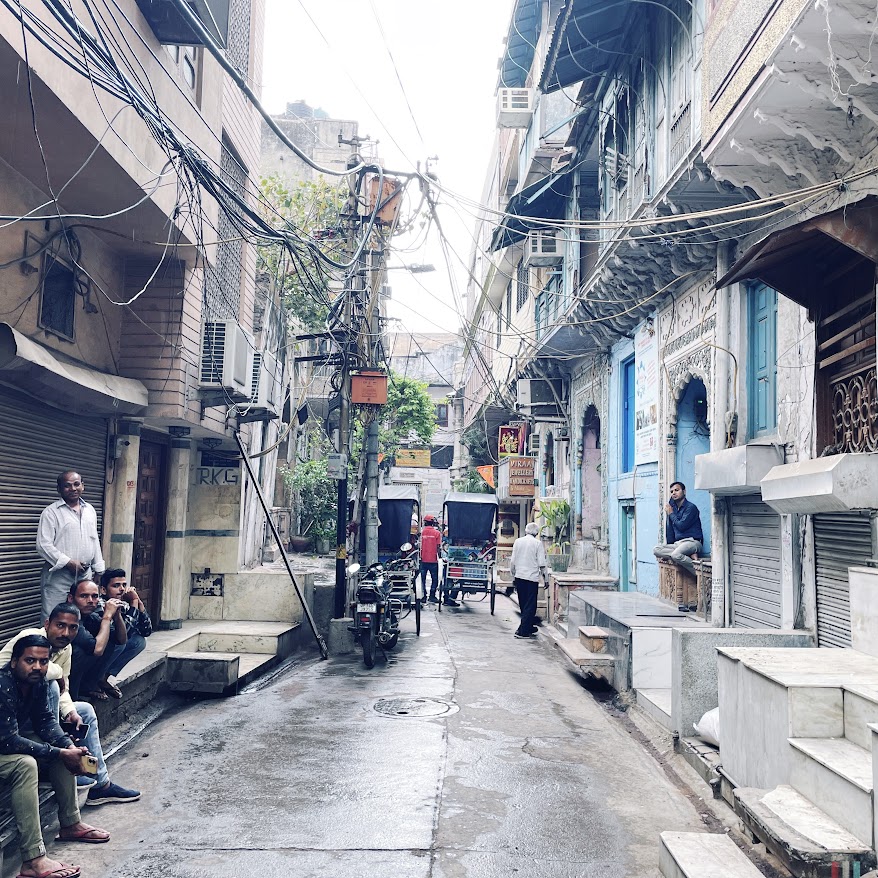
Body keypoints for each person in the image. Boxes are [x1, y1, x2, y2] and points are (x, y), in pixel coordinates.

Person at [0, 634, 110, 878]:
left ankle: (71, 823)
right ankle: (33, 859)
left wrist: (67, 748)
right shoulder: (3, 685)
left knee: (64, 753)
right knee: (26, 764)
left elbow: (45, 722)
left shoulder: (36, 683)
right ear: (14, 662)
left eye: (43, 661)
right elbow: (8, 741)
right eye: (30, 661)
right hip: (3, 747)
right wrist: (61, 751)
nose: (37, 667)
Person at [37, 471, 105, 621]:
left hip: (85, 574)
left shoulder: (90, 510)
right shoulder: (51, 512)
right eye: (67, 486)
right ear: (59, 489)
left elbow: (94, 540)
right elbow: (43, 545)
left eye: (76, 484)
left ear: (83, 486)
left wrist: (99, 569)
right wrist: (68, 562)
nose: (73, 489)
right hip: (58, 577)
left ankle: (76, 645)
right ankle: (49, 645)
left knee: (81, 616)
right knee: (53, 615)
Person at [68, 579, 127, 702]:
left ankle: (86, 687)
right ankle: (72, 698)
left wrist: (117, 615)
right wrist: (107, 617)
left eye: (94, 597)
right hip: (54, 672)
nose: (90, 601)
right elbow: (97, 650)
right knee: (79, 652)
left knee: (108, 640)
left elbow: (121, 640)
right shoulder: (69, 618)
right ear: (71, 598)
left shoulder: (90, 616)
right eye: (84, 596)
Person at [99, 569, 152, 685]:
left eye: (124, 585)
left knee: (139, 641)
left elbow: (146, 631)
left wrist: (139, 604)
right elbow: (123, 636)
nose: (122, 589)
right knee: (119, 643)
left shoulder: (123, 605)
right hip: (94, 654)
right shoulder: (101, 605)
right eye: (116, 585)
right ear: (103, 590)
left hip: (108, 650)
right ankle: (94, 679)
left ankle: (104, 678)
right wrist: (133, 603)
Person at [652, 481, 704, 575]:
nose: (674, 493)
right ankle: (688, 554)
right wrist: (668, 549)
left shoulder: (691, 508)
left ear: (684, 491)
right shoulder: (673, 509)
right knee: (656, 549)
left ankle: (698, 573)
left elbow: (681, 526)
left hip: (692, 542)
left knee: (676, 555)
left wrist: (671, 513)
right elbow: (670, 531)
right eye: (671, 492)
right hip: (678, 544)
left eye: (677, 490)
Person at [509, 522, 547, 639]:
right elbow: (542, 563)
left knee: (524, 603)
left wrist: (513, 575)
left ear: (526, 531)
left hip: (519, 576)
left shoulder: (518, 541)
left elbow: (513, 561)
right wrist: (546, 578)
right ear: (536, 533)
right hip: (531, 578)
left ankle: (529, 626)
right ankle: (522, 631)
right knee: (530, 605)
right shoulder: (537, 543)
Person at [420, 515, 449, 605]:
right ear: (433, 523)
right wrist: (440, 558)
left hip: (423, 560)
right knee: (434, 579)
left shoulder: (421, 532)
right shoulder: (437, 533)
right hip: (433, 560)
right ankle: (432, 596)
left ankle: (423, 596)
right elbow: (438, 547)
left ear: (425, 522)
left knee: (422, 579)